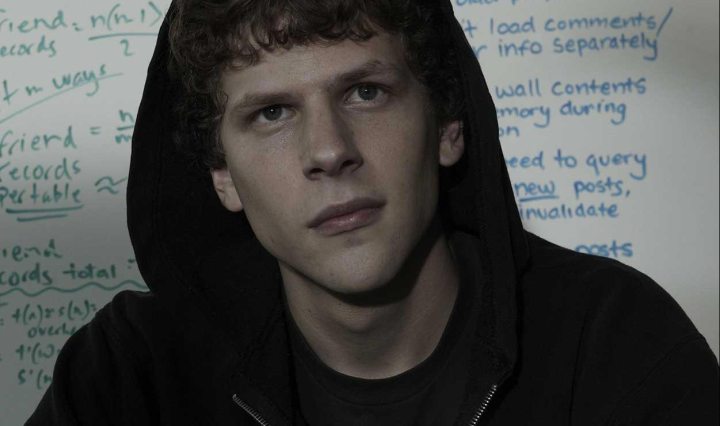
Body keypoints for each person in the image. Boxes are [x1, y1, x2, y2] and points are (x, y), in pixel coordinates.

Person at [27, 0, 718, 425]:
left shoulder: (614, 345)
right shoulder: (130, 376)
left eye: (365, 93)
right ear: (223, 177)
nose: (329, 151)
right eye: (272, 113)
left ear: (447, 126)